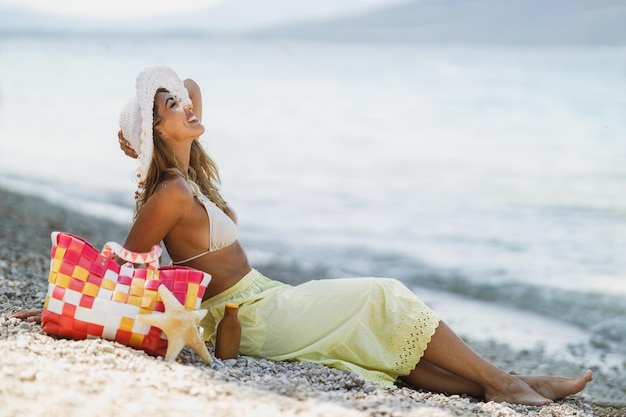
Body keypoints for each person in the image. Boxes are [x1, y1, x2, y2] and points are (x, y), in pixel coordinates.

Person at [16, 65, 593, 406]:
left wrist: (162, 106)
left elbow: (190, 84)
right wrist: (56, 310)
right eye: (171, 106)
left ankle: (502, 384)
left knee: (368, 340)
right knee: (381, 297)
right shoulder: (169, 190)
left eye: (181, 102)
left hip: (264, 298)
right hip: (247, 314)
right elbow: (125, 269)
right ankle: (507, 384)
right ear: (154, 129)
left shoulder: (186, 176)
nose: (188, 104)